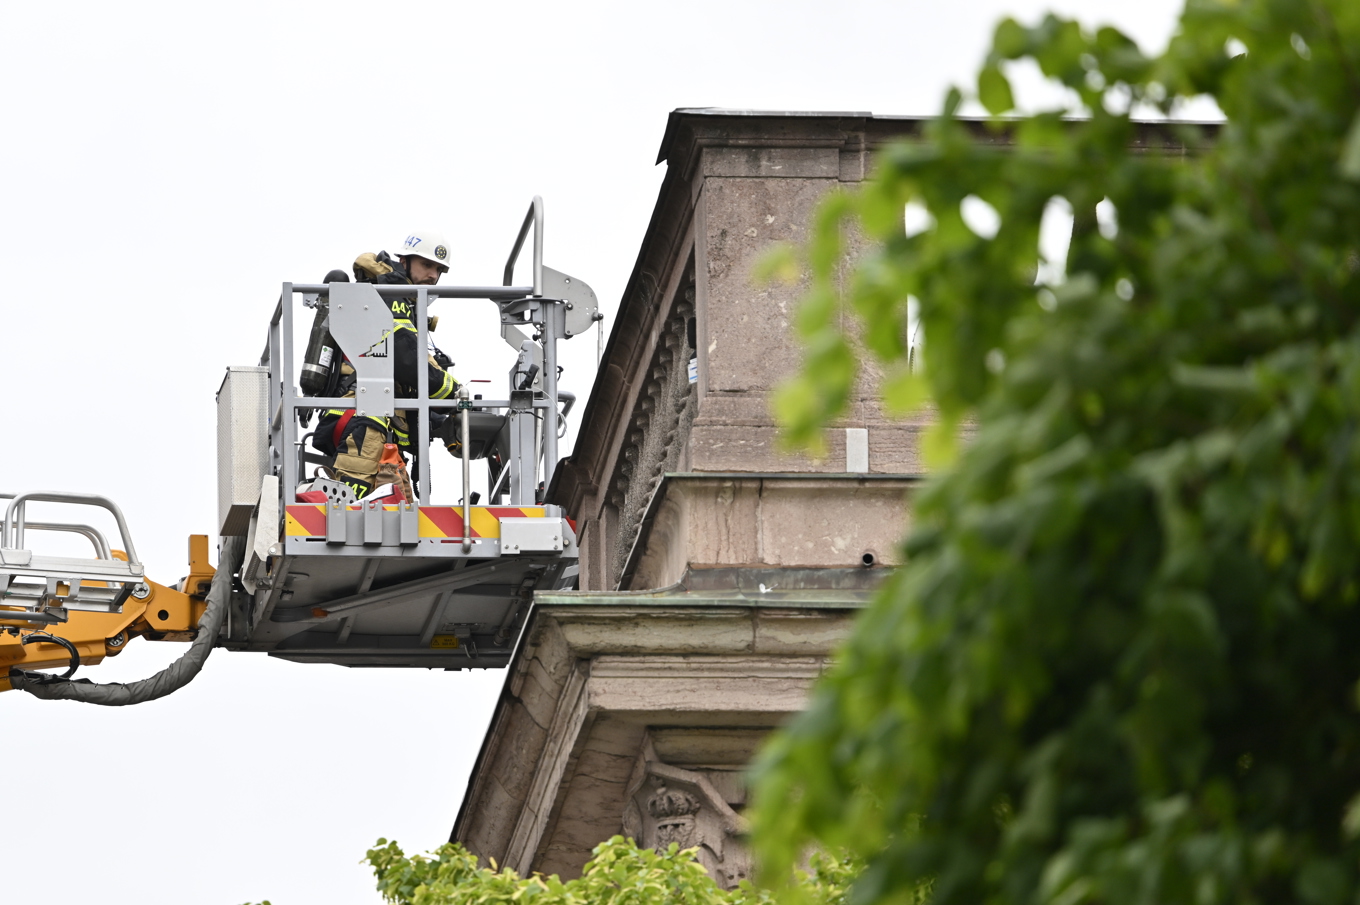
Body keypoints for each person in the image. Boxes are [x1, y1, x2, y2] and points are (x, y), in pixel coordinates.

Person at [312, 230, 459, 499]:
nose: (433, 275)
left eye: (439, 270)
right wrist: (456, 392)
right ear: (404, 261)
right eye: (426, 265)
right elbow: (406, 360)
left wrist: (444, 422)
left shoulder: (402, 301)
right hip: (366, 425)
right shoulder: (390, 295)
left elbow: (405, 385)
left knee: (393, 512)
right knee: (349, 511)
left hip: (378, 426)